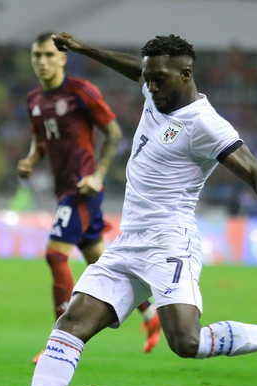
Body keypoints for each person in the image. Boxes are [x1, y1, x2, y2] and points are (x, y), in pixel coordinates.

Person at [0, 33, 257, 386]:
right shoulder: (156, 90)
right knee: (72, 322)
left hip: (170, 243)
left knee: (186, 341)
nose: (149, 86)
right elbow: (138, 69)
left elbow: (256, 171)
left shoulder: (204, 124)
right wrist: (86, 50)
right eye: (147, 78)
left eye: (159, 79)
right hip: (129, 240)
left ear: (186, 75)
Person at [19, 32, 162, 361]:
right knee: (100, 260)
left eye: (49, 55)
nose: (42, 61)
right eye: (37, 55)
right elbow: (41, 139)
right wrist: (30, 159)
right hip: (63, 190)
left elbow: (113, 132)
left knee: (55, 256)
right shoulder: (34, 100)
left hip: (82, 190)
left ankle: (58, 340)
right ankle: (150, 314)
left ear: (62, 58)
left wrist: (98, 174)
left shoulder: (81, 91)